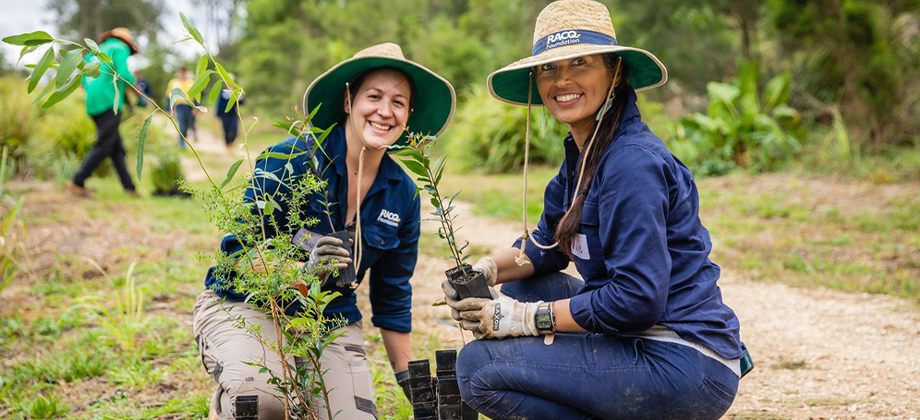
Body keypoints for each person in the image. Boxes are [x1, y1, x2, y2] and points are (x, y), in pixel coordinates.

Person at [441, 1, 750, 419]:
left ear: (615, 72)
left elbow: (637, 299)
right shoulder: (584, 156)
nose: (562, 80)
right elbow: (545, 247)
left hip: (681, 359)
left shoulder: (631, 164)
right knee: (522, 287)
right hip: (636, 339)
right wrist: (486, 271)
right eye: (549, 68)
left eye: (581, 64)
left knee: (479, 369)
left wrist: (529, 319)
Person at [193, 43, 456, 419]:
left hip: (328, 317)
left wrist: (412, 383)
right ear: (348, 100)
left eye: (399, 102)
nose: (385, 111)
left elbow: (392, 297)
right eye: (374, 96)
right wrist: (300, 273)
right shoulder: (288, 161)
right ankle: (233, 400)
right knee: (266, 404)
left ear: (408, 116)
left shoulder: (403, 195)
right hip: (246, 305)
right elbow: (237, 255)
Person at [66, 27, 140, 198]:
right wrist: (139, 93)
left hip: (93, 104)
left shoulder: (93, 53)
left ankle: (130, 188)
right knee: (104, 146)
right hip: (109, 103)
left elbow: (84, 81)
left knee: (115, 148)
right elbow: (123, 74)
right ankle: (77, 182)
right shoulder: (119, 48)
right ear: (126, 42)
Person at [165, 66, 195, 148]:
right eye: (180, 72)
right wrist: (169, 108)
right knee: (181, 123)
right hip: (179, 106)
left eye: (183, 72)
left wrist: (196, 108)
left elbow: (195, 96)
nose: (182, 74)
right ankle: (182, 143)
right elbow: (169, 96)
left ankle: (182, 139)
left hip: (189, 106)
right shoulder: (173, 82)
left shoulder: (190, 83)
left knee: (187, 125)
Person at [216, 78, 244, 148]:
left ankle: (232, 141)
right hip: (224, 114)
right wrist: (218, 115)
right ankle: (227, 144)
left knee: (234, 128)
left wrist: (240, 97)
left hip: (234, 114)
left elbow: (241, 103)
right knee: (226, 129)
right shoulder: (223, 92)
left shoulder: (236, 92)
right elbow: (219, 104)